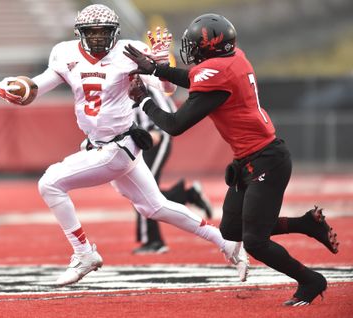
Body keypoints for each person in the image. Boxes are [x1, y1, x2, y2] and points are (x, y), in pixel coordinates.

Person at [0, 4, 249, 287]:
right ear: (80, 34)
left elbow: (167, 90)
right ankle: (224, 241)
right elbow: (37, 87)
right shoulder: (64, 53)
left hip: (118, 147)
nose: (99, 38)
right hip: (100, 145)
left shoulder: (129, 52)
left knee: (50, 183)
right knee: (155, 207)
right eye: (93, 33)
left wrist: (163, 62)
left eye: (105, 32)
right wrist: (14, 87)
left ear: (115, 33)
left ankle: (84, 253)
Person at [123, 14, 339, 306]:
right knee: (231, 230)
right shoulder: (234, 58)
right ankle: (306, 224)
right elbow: (194, 76)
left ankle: (311, 280)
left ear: (209, 46)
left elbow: (175, 125)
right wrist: (156, 69)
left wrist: (144, 101)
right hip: (250, 160)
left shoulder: (217, 76)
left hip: (266, 161)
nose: (192, 51)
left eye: (195, 45)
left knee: (255, 242)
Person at [132, 85, 213, 254]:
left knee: (143, 190)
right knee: (141, 190)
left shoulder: (148, 88)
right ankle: (188, 194)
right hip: (138, 144)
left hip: (155, 141)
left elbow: (167, 111)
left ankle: (154, 241)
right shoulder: (120, 85)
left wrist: (157, 133)